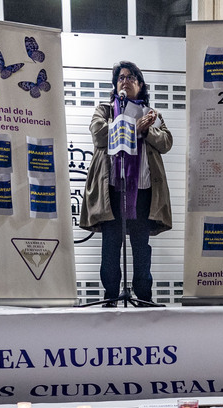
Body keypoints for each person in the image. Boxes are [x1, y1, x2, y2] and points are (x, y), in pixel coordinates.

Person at [79, 61, 173, 305]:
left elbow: (166, 143)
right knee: (111, 247)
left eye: (131, 77)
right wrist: (131, 126)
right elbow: (99, 135)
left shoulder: (152, 114)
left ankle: (144, 298)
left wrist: (146, 129)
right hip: (112, 190)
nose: (125, 80)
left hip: (143, 192)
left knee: (141, 247)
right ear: (115, 85)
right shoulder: (104, 110)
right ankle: (110, 297)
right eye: (121, 77)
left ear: (140, 85)